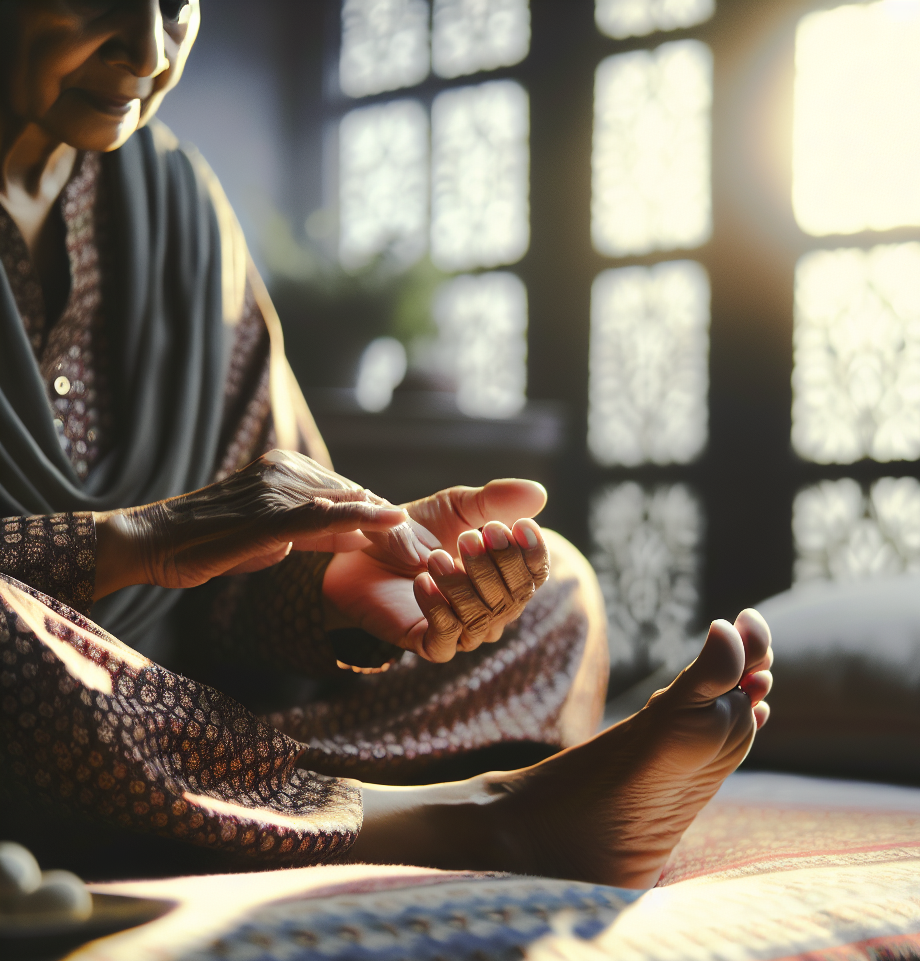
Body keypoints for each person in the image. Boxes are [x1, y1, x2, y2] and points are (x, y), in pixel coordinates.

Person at [0, 0, 772, 889]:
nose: (149, 47)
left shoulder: (181, 206)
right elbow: (177, 537)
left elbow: (231, 580)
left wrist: (333, 585)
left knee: (553, 587)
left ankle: (206, 805)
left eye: (177, 3)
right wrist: (142, 540)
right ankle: (475, 821)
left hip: (164, 720)